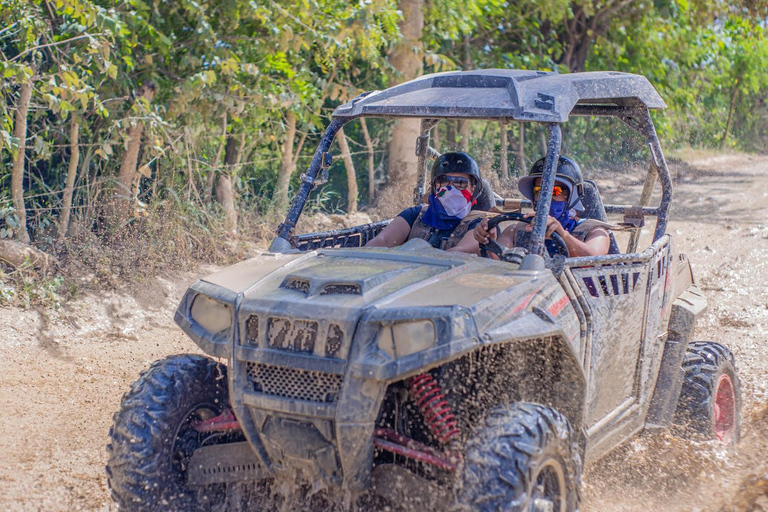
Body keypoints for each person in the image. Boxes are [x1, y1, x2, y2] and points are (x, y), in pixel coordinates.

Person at [449, 156, 610, 257]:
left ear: (572, 196)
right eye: (540, 191)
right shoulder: (515, 230)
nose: (545, 198)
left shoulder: (594, 231)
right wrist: (489, 241)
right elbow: (498, 261)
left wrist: (563, 235)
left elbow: (595, 258)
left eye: (555, 190)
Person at [366, 152, 485, 249]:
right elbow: (382, 241)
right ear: (434, 186)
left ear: (473, 188)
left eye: (460, 182)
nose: (450, 187)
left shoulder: (479, 224)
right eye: (443, 181)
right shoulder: (415, 215)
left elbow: (463, 252)